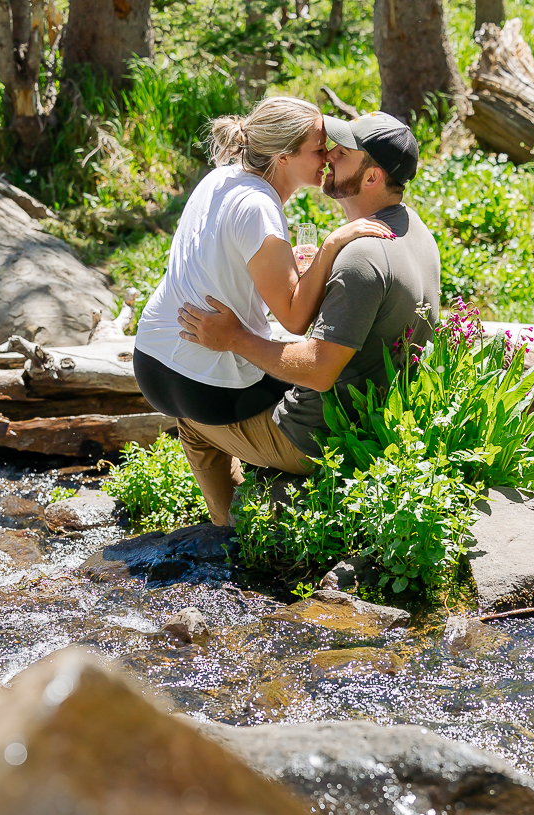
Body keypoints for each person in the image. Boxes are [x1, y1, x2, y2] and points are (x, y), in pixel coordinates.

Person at [177, 111, 441, 526]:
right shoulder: (415, 232)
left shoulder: (361, 258)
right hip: (375, 421)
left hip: (318, 437)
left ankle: (229, 534)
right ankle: (262, 498)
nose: (329, 156)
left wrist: (234, 338)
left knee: (191, 420)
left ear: (371, 178)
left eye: (343, 153)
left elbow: (318, 373)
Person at [133, 96, 394, 479]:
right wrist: (330, 247)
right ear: (283, 157)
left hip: (151, 358)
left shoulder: (222, 176)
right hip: (203, 380)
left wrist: (295, 269)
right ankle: (267, 507)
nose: (329, 157)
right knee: (314, 392)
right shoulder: (259, 209)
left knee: (264, 377)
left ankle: (224, 524)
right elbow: (294, 319)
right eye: (319, 150)